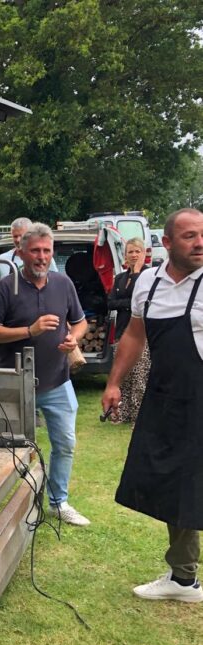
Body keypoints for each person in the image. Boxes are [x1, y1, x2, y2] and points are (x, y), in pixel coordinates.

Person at [102, 208, 203, 602]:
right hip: (166, 397)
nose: (200, 243)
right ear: (167, 243)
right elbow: (134, 334)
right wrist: (113, 383)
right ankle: (184, 578)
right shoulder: (149, 281)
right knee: (173, 484)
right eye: (190, 236)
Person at [0, 223, 90, 525]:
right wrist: (28, 331)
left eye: (46, 251)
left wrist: (75, 338)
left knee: (65, 443)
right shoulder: (7, 287)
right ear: (20, 253)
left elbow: (80, 322)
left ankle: (58, 502)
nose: (41, 257)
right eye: (35, 251)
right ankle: (4, 510)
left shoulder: (63, 284)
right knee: (10, 450)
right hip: (15, 383)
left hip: (57, 381)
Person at [107, 238, 150, 423]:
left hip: (142, 334)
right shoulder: (119, 278)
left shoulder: (149, 276)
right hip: (121, 332)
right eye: (130, 252)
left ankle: (138, 416)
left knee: (140, 378)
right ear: (125, 255)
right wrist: (130, 303)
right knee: (122, 377)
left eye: (137, 252)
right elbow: (110, 302)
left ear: (144, 254)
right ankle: (120, 414)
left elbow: (142, 299)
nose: (133, 255)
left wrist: (138, 273)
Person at [0, 217, 57, 308]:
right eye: (15, 236)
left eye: (21, 235)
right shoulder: (3, 259)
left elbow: (56, 286)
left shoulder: (43, 259)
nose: (18, 239)